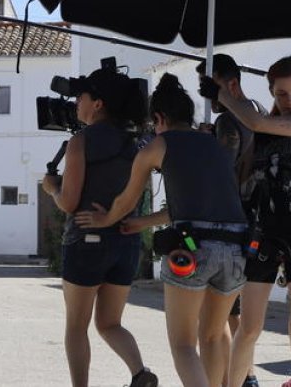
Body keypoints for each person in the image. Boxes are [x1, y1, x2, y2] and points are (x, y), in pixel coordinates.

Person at [78, 74, 248, 387]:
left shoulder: (158, 145)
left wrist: (105, 220)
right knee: (212, 335)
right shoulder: (214, 145)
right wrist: (142, 223)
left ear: (159, 118)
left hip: (192, 249)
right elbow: (194, 209)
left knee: (183, 344)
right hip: (237, 247)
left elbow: (126, 199)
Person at [201, 56, 291, 387]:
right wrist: (213, 145)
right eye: (282, 94)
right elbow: (243, 173)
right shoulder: (262, 133)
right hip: (265, 232)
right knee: (249, 327)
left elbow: (255, 121)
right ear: (271, 92)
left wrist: (224, 96)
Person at [41, 67, 158, 387]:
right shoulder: (139, 142)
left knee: (76, 326)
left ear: (98, 104)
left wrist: (51, 186)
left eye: (82, 96)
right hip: (126, 241)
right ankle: (140, 374)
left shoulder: (81, 141)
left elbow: (68, 201)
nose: (77, 102)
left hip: (85, 240)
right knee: (109, 322)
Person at [195, 55, 266, 387]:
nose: (205, 95)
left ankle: (238, 378)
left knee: (221, 312)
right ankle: (246, 374)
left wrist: (205, 145)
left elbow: (222, 173)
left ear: (231, 84)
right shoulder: (260, 112)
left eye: (208, 87)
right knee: (238, 311)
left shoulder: (227, 122)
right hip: (260, 219)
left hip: (231, 221)